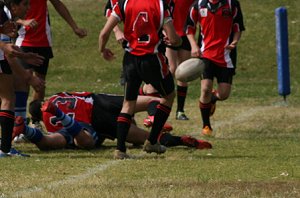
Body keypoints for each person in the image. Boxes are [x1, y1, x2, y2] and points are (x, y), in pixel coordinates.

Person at [99, 0, 182, 159]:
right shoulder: (160, 4)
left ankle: (120, 150)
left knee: (128, 103)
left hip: (130, 60)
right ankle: (151, 142)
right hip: (152, 60)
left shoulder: (125, 3)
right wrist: (177, 41)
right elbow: (173, 37)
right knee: (168, 96)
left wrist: (102, 50)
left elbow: (104, 33)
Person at [12, 92, 212, 152]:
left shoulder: (48, 121)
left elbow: (56, 140)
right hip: (98, 101)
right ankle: (152, 117)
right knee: (155, 101)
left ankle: (28, 131)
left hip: (92, 123)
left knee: (71, 141)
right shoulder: (59, 94)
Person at [13, 0, 87, 127]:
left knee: (40, 85)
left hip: (43, 41)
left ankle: (35, 121)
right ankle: (20, 123)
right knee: (24, 80)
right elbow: (8, 13)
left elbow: (58, 4)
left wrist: (74, 27)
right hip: (23, 40)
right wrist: (23, 22)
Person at [185, 0, 245, 136]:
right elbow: (189, 28)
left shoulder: (231, 4)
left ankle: (212, 99)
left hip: (226, 55)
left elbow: (238, 27)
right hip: (205, 55)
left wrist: (234, 42)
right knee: (205, 89)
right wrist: (194, 46)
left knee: (223, 94)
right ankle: (206, 125)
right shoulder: (198, 5)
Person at [0, 0, 45, 158]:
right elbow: (7, 52)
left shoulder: (8, 16)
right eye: (25, 4)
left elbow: (8, 48)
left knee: (7, 98)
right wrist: (28, 77)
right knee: (7, 99)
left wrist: (24, 55)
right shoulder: (3, 13)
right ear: (14, 5)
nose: (29, 7)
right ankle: (5, 149)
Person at [166, 0, 195, 121]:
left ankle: (180, 110)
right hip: (170, 34)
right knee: (171, 70)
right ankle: (162, 104)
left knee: (184, 73)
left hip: (185, 35)